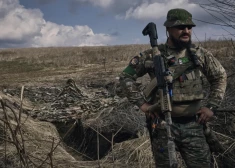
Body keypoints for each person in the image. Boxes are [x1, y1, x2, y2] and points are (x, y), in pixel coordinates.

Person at [117, 8, 227, 168]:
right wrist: (143, 104)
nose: (186, 31)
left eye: (189, 27)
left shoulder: (199, 54)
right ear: (168, 29)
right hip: (162, 127)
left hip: (193, 126)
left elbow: (220, 76)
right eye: (180, 27)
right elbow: (125, 77)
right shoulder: (152, 55)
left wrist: (211, 106)